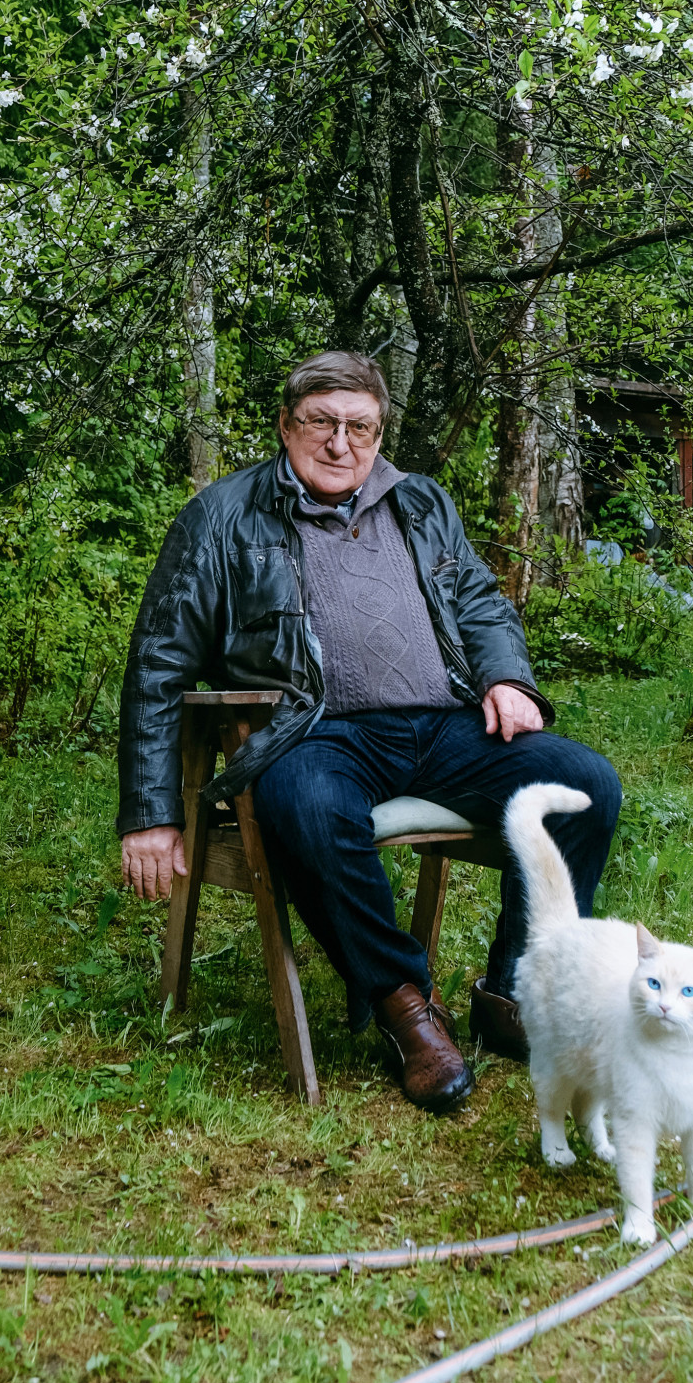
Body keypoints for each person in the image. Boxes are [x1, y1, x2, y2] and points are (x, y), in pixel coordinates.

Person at [117, 350, 622, 1113]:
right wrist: (151, 812)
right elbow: (159, 663)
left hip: (444, 725)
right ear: (285, 426)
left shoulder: (420, 501)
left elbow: (480, 602)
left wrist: (506, 678)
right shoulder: (220, 517)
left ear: (380, 432)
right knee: (307, 807)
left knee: (583, 786)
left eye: (359, 427)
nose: (339, 443)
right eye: (320, 422)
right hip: (314, 734)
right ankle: (404, 1006)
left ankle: (517, 994)